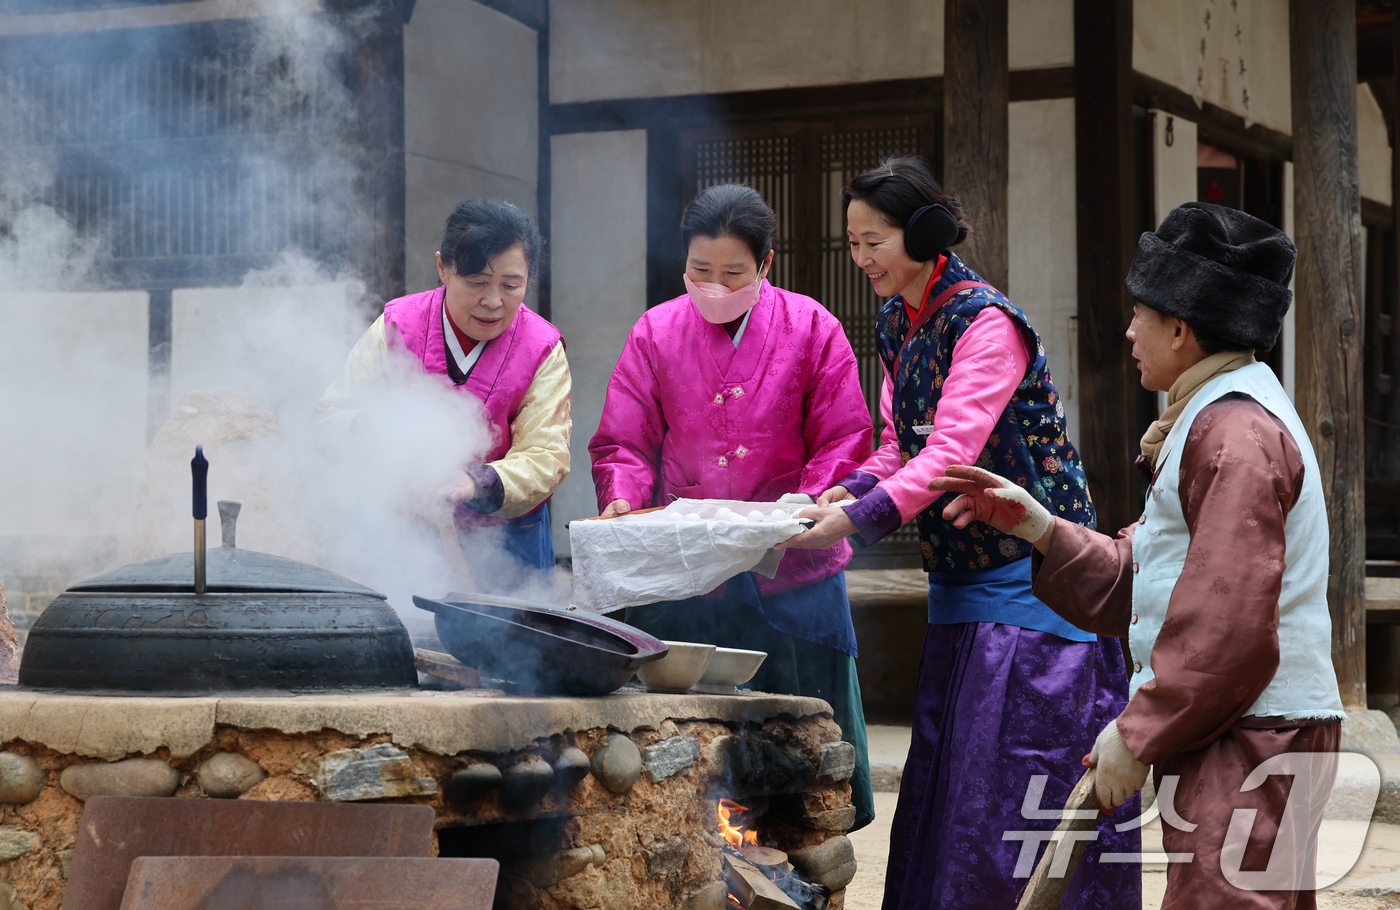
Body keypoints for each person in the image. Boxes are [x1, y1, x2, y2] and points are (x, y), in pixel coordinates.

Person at [931, 202, 1346, 909]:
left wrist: (1139, 728)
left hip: (1252, 725)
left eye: (1139, 316)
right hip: (1233, 718)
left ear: (1180, 329)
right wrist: (1039, 527)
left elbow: (1226, 624)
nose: (1128, 332)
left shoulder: (1235, 432)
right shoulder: (1213, 415)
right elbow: (1152, 576)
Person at [779, 155, 1139, 908]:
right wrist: (827, 496)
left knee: (1011, 797)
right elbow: (896, 446)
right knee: (956, 788)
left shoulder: (985, 322)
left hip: (1036, 593)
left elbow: (949, 452)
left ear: (926, 233)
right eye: (852, 243)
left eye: (874, 240)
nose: (861, 258)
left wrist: (855, 519)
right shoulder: (894, 322)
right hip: (959, 590)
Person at [589, 183, 877, 830]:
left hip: (791, 570)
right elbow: (624, 441)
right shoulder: (655, 332)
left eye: (732, 274)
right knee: (680, 764)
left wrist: (803, 505)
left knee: (802, 759)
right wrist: (622, 499)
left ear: (766, 265)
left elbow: (845, 438)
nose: (714, 287)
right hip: (683, 572)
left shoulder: (813, 329)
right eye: (699, 271)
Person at [317, 198, 570, 575]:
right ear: (442, 268)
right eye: (477, 282)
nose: (493, 301)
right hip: (402, 539)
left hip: (510, 544)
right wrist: (373, 424)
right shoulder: (397, 326)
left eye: (511, 285)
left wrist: (477, 481)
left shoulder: (541, 347)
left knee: (515, 634)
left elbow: (547, 455)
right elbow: (327, 420)